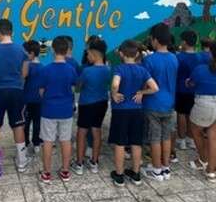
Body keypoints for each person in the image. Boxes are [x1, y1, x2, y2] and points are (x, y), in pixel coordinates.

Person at [109, 40, 158, 186]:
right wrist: (142, 92)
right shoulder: (142, 70)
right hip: (137, 110)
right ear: (137, 54)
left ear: (121, 54)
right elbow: (155, 88)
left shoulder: (119, 68)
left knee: (120, 143)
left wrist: (114, 93)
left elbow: (115, 84)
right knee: (136, 143)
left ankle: (119, 175)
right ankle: (136, 174)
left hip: (120, 111)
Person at [0, 19, 31, 173]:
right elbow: (24, 74)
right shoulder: (21, 51)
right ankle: (22, 161)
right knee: (18, 125)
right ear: (11, 32)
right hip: (16, 91)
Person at [188, 41, 216, 181]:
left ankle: (202, 159)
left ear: (211, 52)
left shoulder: (201, 69)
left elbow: (191, 83)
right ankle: (211, 172)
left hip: (205, 103)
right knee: (215, 138)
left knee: (195, 130)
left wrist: (188, 83)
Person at [37, 36, 77, 183]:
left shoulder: (46, 70)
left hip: (48, 110)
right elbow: (72, 88)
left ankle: (46, 173)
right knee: (65, 140)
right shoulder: (71, 69)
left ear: (52, 49)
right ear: (67, 51)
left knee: (47, 141)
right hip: (66, 110)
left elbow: (41, 91)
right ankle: (65, 171)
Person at [141, 23, 178, 181]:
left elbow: (145, 82)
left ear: (155, 40)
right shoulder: (174, 58)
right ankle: (165, 168)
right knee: (166, 136)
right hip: (169, 103)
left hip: (153, 103)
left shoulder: (149, 60)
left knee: (154, 138)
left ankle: (156, 170)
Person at [72, 38, 110, 175]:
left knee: (81, 132)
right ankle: (94, 162)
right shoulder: (108, 69)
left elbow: (77, 88)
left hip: (87, 104)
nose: (86, 56)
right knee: (96, 131)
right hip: (102, 103)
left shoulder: (87, 71)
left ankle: (79, 163)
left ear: (94, 54)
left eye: (88, 54)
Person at [174, 30, 209, 151]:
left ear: (184, 42)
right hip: (196, 90)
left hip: (181, 89)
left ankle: (182, 139)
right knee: (191, 114)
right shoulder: (201, 57)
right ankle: (190, 138)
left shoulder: (178, 57)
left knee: (181, 114)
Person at [22, 40, 43, 153]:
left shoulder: (27, 67)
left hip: (27, 100)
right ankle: (36, 142)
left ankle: (25, 142)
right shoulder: (43, 67)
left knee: (25, 122)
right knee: (37, 122)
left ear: (31, 53)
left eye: (24, 53)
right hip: (39, 101)